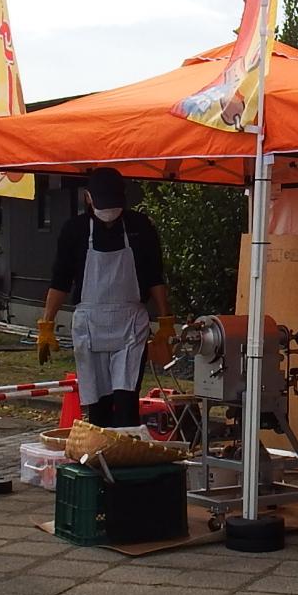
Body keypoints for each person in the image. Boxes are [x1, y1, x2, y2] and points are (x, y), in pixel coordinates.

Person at [37, 167, 173, 427]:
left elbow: (155, 276)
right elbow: (61, 280)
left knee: (126, 402)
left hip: (130, 325)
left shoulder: (140, 227)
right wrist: (47, 324)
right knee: (97, 405)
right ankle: (102, 459)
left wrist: (165, 318)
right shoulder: (74, 230)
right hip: (90, 325)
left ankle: (125, 456)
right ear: (88, 198)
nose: (109, 212)